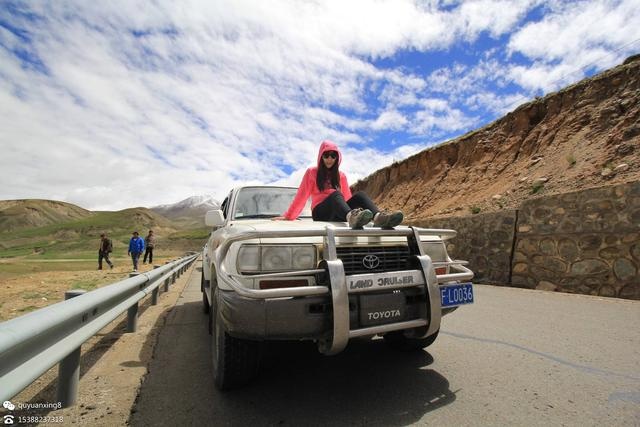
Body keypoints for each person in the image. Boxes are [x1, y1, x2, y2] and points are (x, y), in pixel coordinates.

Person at [273, 140, 403, 229]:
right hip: (320, 213)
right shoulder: (312, 172)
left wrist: (352, 210)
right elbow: (301, 197)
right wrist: (289, 216)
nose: (329, 159)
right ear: (320, 156)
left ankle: (379, 218)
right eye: (326, 155)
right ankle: (352, 218)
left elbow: (346, 199)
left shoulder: (341, 176)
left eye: (333, 155)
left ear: (337, 157)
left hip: (338, 212)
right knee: (335, 194)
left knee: (360, 195)